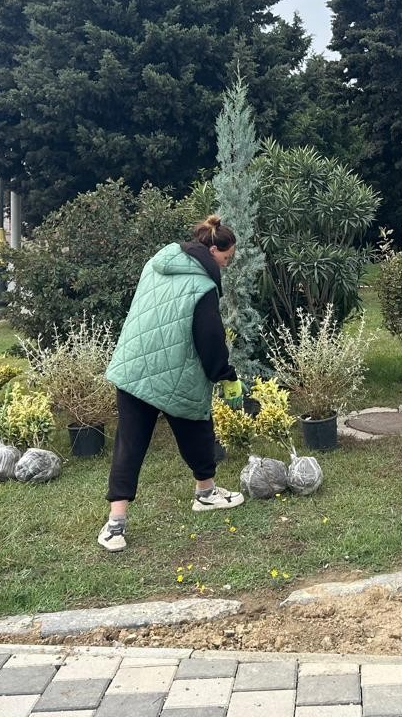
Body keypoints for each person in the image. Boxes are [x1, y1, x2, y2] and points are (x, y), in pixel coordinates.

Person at [97, 215, 246, 553]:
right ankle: (205, 493)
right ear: (212, 250)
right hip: (174, 372)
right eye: (227, 258)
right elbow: (209, 340)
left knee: (130, 443)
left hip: (134, 366)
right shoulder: (203, 287)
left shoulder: (157, 262)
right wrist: (226, 375)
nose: (227, 265)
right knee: (195, 423)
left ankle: (115, 524)